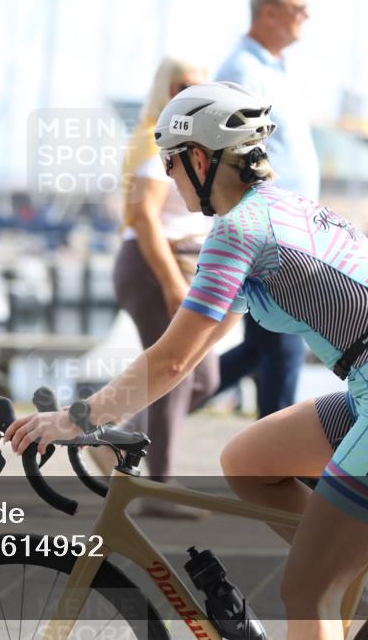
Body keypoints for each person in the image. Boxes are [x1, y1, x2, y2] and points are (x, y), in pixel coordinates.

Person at [6, 83, 368, 638]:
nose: (168, 176)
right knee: (248, 461)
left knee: (305, 591)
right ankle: (363, 591)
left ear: (201, 159)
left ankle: (336, 584)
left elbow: (173, 362)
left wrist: (73, 419)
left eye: (171, 162)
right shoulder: (286, 208)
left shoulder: (237, 232)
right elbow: (197, 340)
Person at [88, 57, 218, 517]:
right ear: (163, 89)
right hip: (153, 266)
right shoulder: (154, 137)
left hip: (176, 266)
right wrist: (170, 283)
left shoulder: (183, 138)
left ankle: (114, 442)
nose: (189, 96)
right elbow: (144, 216)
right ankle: (159, 485)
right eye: (181, 86)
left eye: (199, 88)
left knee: (203, 377)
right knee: (178, 373)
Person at [210, 0, 320, 418]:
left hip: (291, 225)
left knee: (261, 349)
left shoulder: (276, 69)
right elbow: (231, 156)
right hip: (270, 230)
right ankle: (276, 467)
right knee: (283, 349)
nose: (307, 17)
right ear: (269, 12)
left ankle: (146, 419)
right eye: (299, 8)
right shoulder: (243, 71)